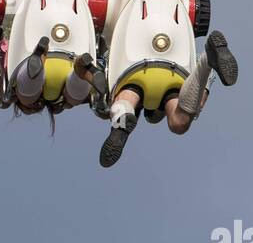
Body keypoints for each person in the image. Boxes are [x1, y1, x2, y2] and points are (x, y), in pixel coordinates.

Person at [99, 29, 239, 167]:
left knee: (124, 98)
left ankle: (122, 121)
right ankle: (207, 59)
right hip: (169, 68)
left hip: (133, 64)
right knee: (179, 121)